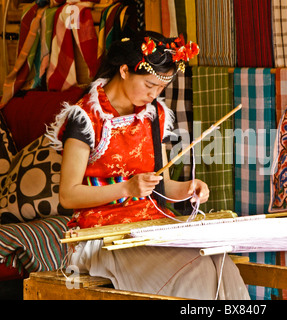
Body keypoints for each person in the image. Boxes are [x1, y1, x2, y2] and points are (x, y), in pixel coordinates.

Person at [46, 31, 250, 300]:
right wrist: (127, 188)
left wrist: (189, 189)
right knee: (196, 269)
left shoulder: (154, 115)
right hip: (100, 234)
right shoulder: (85, 118)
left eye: (161, 89)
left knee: (222, 266)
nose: (154, 95)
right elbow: (68, 195)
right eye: (149, 85)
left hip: (148, 225)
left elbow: (160, 185)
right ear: (124, 71)